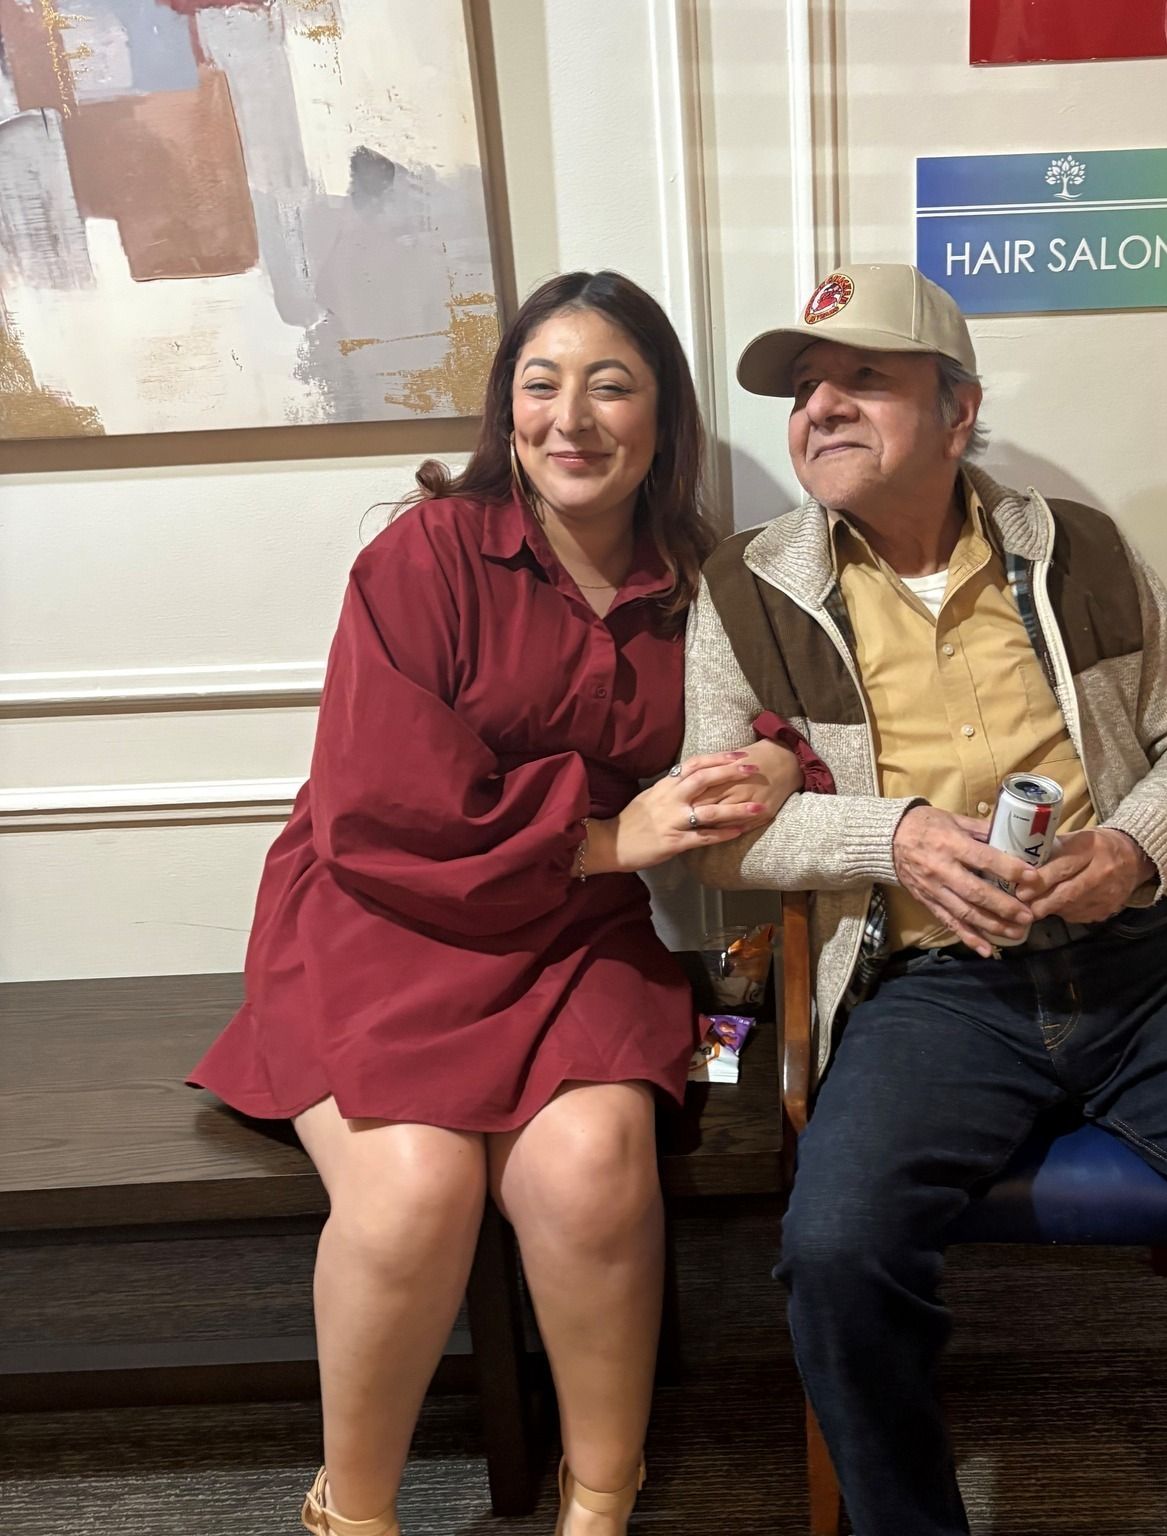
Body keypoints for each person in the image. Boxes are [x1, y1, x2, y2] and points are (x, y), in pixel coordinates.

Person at [682, 263, 1167, 1536]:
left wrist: (1138, 853)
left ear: (957, 409)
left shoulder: (1077, 548)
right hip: (928, 988)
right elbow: (723, 835)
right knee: (835, 1256)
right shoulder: (745, 589)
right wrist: (898, 838)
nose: (821, 406)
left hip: (1156, 966)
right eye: (803, 387)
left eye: (863, 378)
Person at [189, 270, 802, 1536]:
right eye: (541, 383)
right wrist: (605, 835)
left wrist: (785, 757)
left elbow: (802, 711)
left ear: (663, 419)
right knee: (413, 1191)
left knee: (590, 1169)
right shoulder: (424, 553)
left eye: (610, 384)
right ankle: (350, 1512)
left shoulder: (703, 579)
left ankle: (602, 1501)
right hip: (378, 915)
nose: (571, 416)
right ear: (506, 408)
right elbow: (375, 808)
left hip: (572, 939)